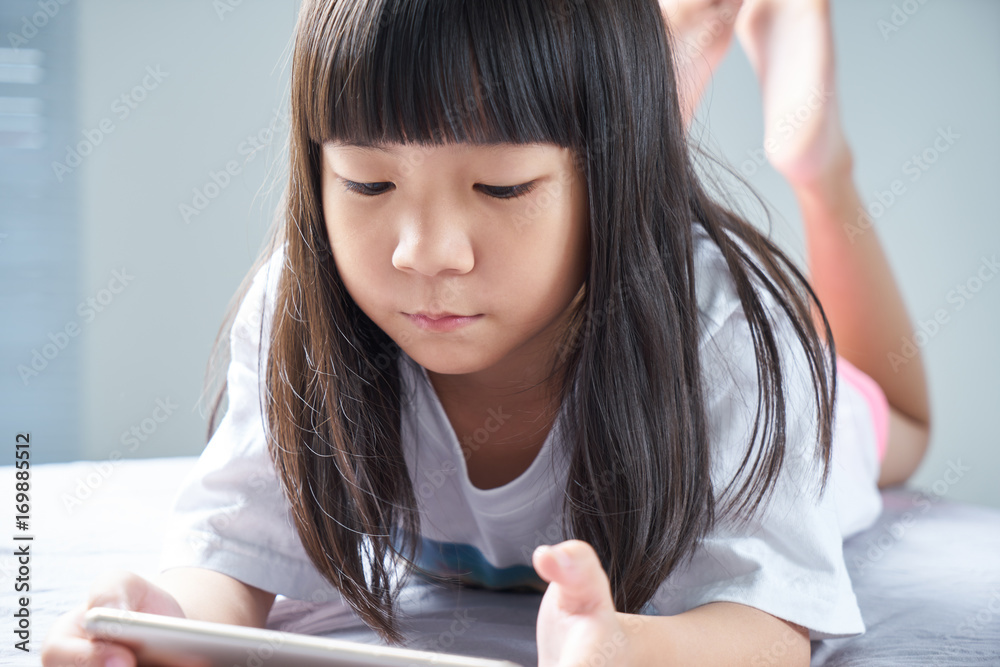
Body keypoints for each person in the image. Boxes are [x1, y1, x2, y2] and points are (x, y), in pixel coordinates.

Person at [42, 0, 931, 665]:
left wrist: (628, 649)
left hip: (786, 371)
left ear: (610, 184)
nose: (425, 253)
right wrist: (156, 618)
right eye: (366, 184)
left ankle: (814, 158)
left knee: (896, 422)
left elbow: (769, 622)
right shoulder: (304, 312)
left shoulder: (727, 338)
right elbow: (231, 561)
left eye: (502, 188)